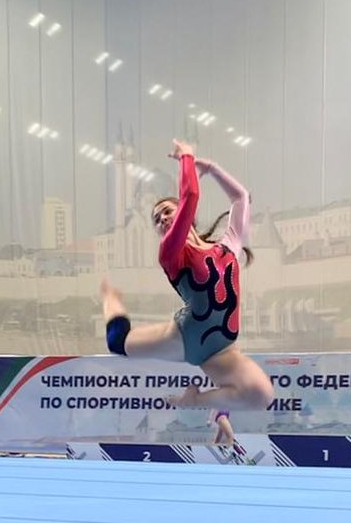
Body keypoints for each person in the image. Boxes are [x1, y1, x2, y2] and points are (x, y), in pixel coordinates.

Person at [101, 140, 273, 411]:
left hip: (221, 347)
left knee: (260, 396)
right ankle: (110, 299)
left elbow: (240, 197)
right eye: (157, 219)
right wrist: (187, 158)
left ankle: (194, 401)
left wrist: (212, 168)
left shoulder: (227, 247)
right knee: (117, 343)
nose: (162, 219)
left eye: (167, 212)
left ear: (184, 216)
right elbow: (190, 195)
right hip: (185, 339)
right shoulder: (171, 252)